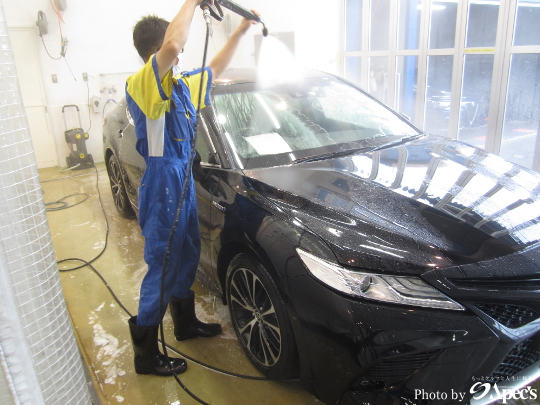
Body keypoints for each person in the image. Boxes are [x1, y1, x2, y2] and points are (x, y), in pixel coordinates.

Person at [125, 0, 260, 377]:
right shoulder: (142, 83)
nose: (182, 50)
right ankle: (146, 355)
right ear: (160, 47)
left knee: (187, 252)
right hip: (162, 182)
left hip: (183, 179)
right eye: (176, 45)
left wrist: (241, 30)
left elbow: (214, 69)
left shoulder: (182, 87)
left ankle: (184, 324)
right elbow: (170, 47)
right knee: (163, 265)